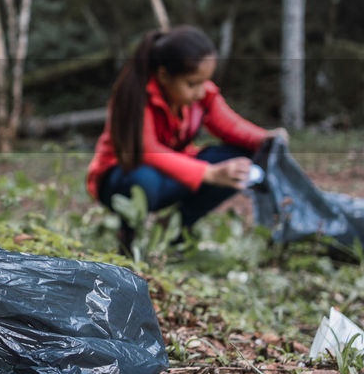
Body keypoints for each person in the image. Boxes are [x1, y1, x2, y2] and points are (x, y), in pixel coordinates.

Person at [86, 26, 287, 245]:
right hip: (120, 180)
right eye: (193, 84)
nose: (201, 91)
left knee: (242, 162)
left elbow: (230, 126)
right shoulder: (134, 97)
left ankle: (175, 229)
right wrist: (209, 173)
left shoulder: (201, 96)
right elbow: (147, 151)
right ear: (163, 75)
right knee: (143, 180)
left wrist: (266, 138)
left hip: (171, 175)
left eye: (204, 82)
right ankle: (130, 237)